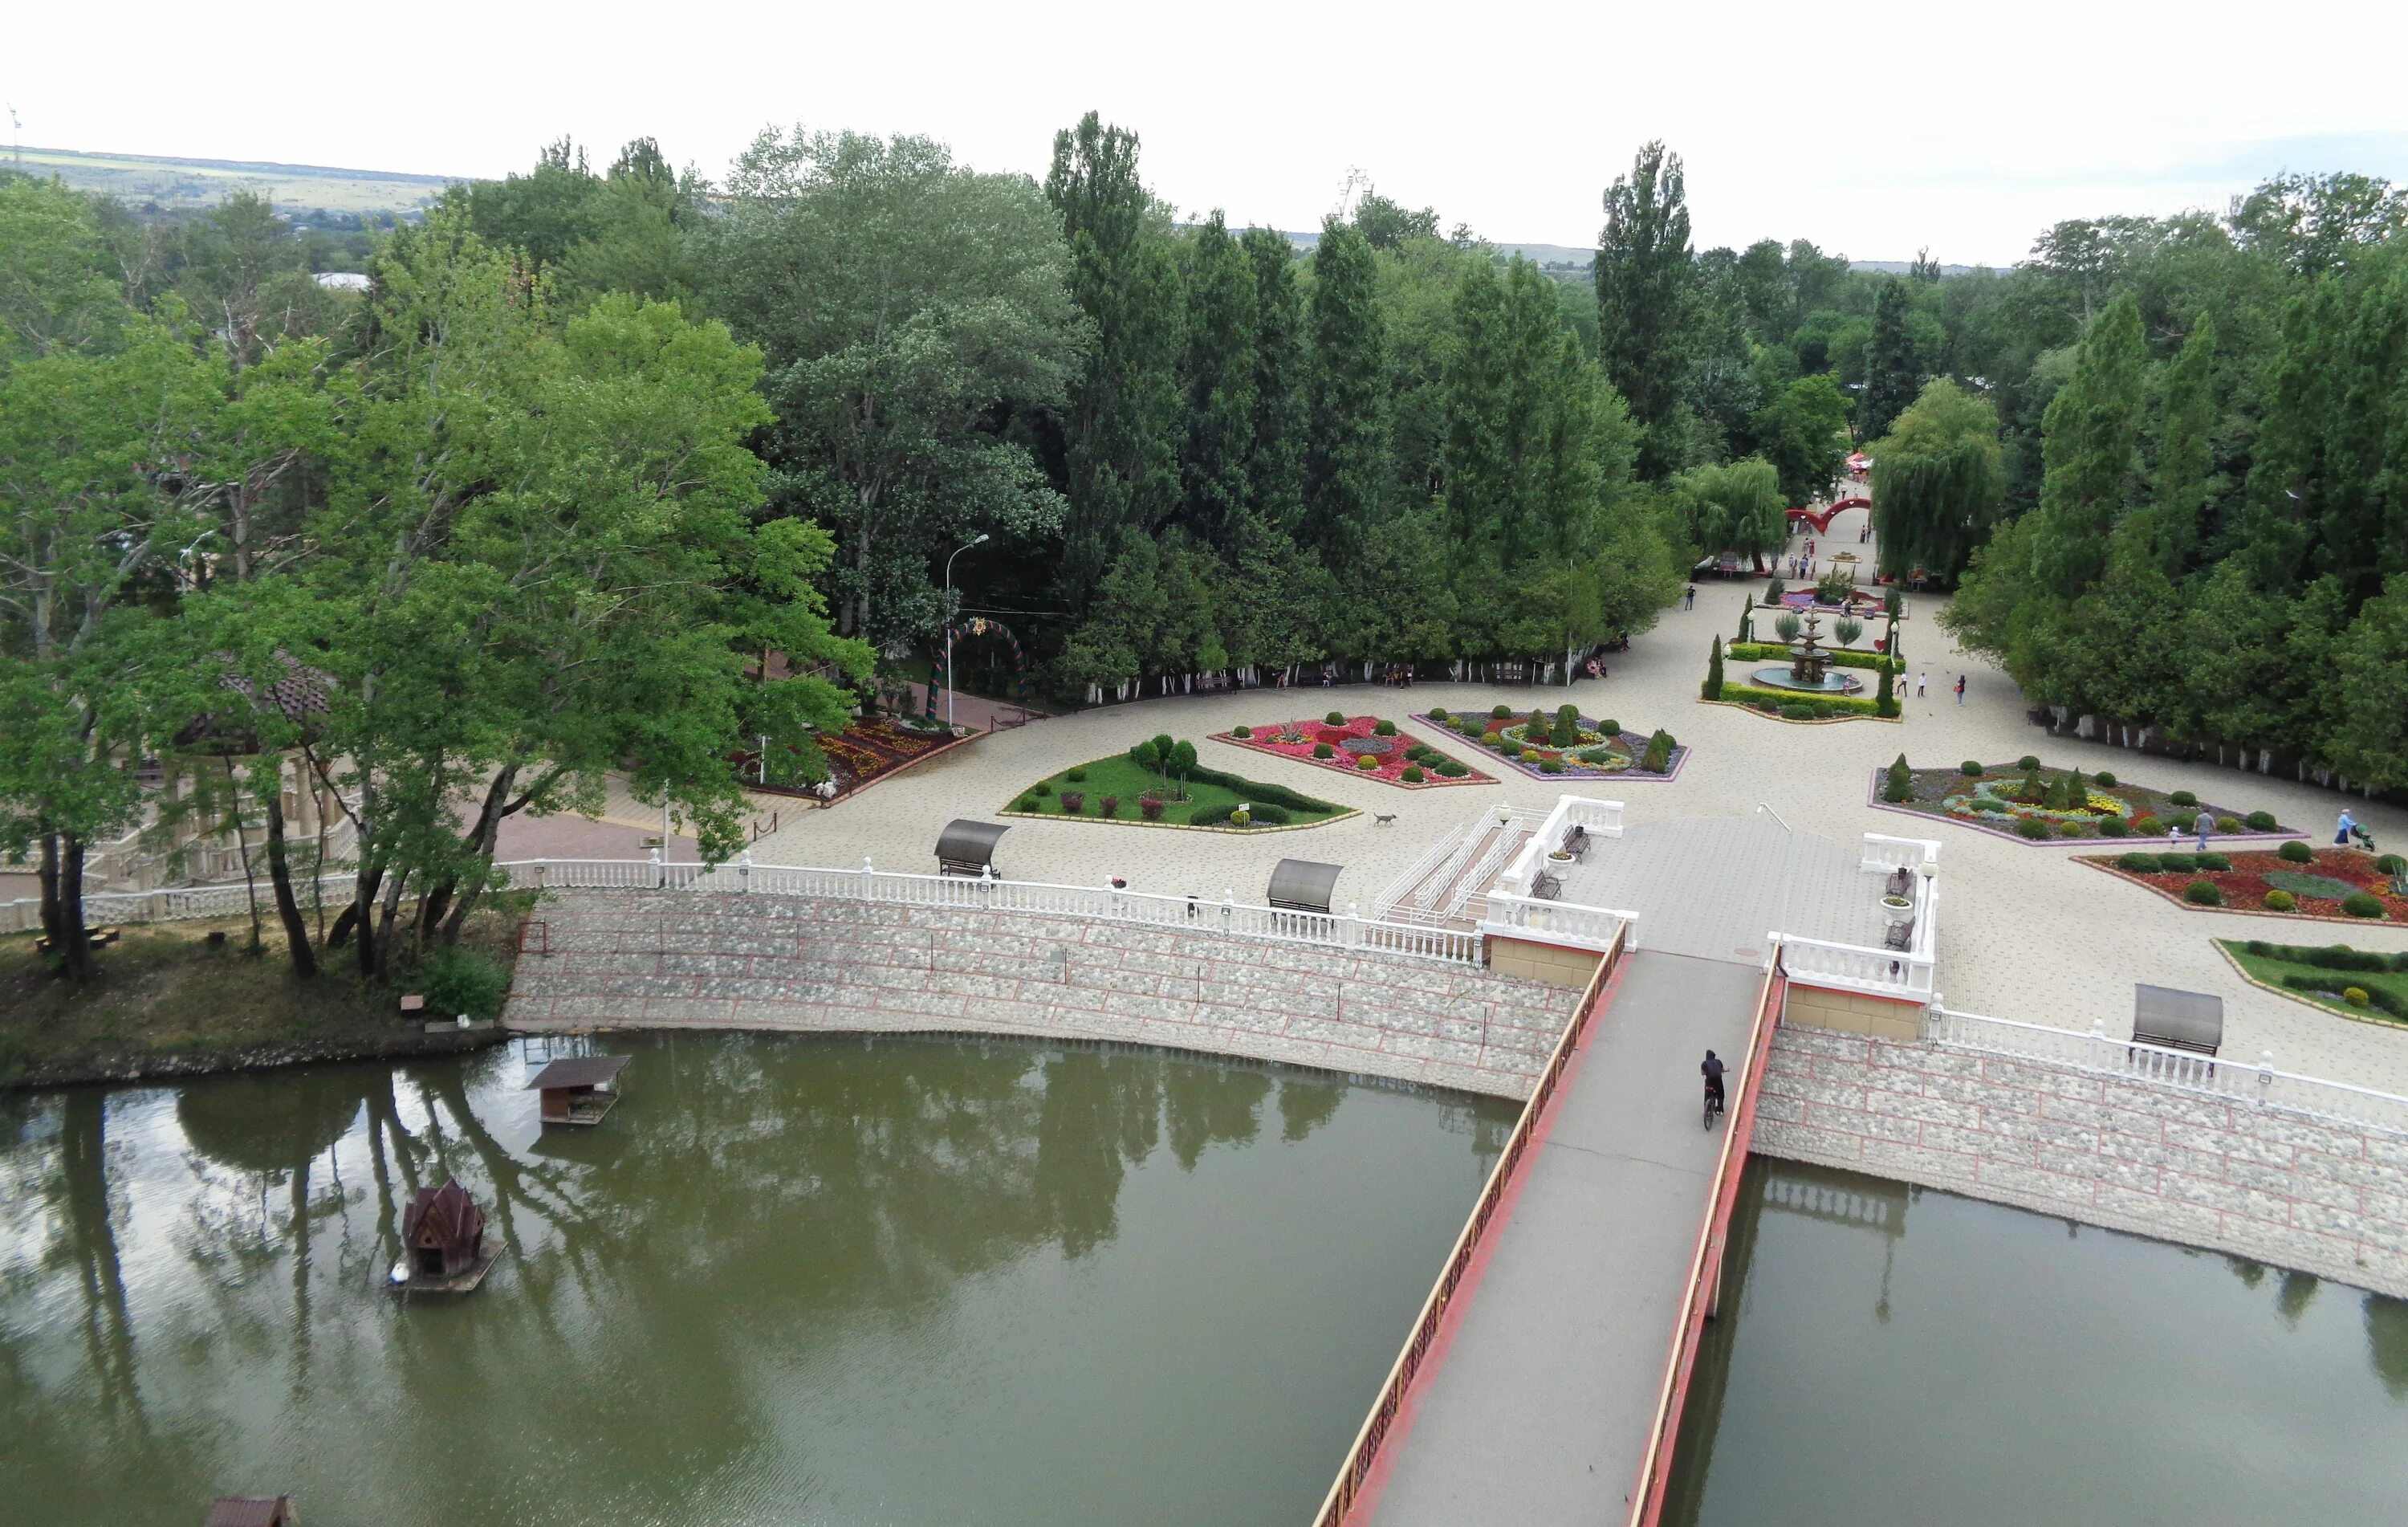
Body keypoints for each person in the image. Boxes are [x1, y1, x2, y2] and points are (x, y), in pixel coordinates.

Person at [1700, 1049, 1727, 1115]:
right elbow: (1722, 1070)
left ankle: (1707, 1111)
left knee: (1707, 1095)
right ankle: (1720, 1110)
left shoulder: (1704, 1063)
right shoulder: (1719, 1062)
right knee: (1720, 1095)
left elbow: (1703, 1073)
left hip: (1709, 1081)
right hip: (1718, 1080)